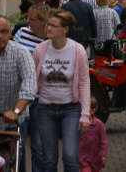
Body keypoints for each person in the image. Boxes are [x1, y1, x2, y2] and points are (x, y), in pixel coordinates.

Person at [33, 10, 91, 172]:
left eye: (53, 25)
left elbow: (84, 83)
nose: (48, 28)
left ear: (65, 29)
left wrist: (85, 114)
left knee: (70, 156)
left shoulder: (77, 50)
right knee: (49, 159)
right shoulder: (40, 50)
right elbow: (32, 80)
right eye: (48, 24)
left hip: (70, 109)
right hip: (45, 108)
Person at [13, 4, 49, 172]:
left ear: (43, 21)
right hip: (20, 96)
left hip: (40, 98)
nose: (28, 22)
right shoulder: (22, 33)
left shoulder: (49, 41)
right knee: (18, 141)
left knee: (38, 145)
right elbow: (11, 56)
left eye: (32, 19)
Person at [78, 96, 107, 172]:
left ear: (93, 111)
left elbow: (103, 142)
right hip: (83, 158)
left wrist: (103, 155)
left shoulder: (99, 125)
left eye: (85, 109)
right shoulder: (79, 124)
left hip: (96, 159)